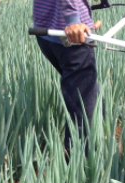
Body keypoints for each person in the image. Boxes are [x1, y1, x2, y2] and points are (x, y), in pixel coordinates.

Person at [33, 0, 102, 150]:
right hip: (72, 37)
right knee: (83, 114)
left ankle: (102, 136)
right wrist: (73, 20)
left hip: (46, 30)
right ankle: (81, 169)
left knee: (88, 96)